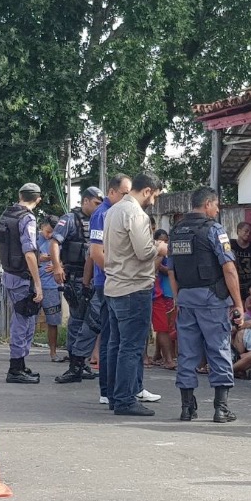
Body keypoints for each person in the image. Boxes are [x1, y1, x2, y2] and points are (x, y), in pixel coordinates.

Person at [169, 186, 243, 422]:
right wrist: (238, 304)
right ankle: (221, 408)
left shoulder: (176, 230)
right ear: (208, 204)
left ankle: (186, 408)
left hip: (186, 300)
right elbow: (229, 268)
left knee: (187, 353)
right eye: (217, 205)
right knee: (218, 350)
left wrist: (177, 298)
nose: (218, 209)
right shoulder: (214, 230)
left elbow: (171, 270)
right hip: (212, 301)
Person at [89, 174, 161, 407]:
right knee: (131, 347)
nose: (154, 202)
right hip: (133, 287)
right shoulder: (135, 214)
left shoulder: (111, 211)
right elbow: (143, 252)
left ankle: (114, 396)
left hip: (113, 285)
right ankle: (125, 399)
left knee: (116, 344)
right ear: (148, 191)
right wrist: (159, 247)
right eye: (155, 196)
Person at [51, 186, 104, 383]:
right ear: (85, 201)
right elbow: (55, 242)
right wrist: (57, 266)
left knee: (90, 322)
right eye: (96, 203)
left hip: (92, 277)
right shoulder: (70, 219)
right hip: (75, 277)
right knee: (77, 321)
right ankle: (75, 364)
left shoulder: (99, 219)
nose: (98, 207)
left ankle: (81, 364)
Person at [0, 183, 44, 383]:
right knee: (22, 322)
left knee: (24, 319)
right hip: (24, 277)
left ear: (19, 195)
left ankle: (21, 365)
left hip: (10, 274)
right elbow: (29, 252)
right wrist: (38, 283)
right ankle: (15, 369)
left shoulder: (7, 215)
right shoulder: (27, 218)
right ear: (38, 200)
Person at [37, 215, 62, 362]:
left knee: (53, 320)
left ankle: (53, 352)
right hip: (34, 285)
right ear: (41, 228)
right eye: (47, 231)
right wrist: (40, 258)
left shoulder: (59, 240)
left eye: (52, 232)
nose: (50, 235)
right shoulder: (33, 240)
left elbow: (65, 259)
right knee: (28, 320)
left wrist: (58, 265)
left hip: (52, 286)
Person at [152, 229, 176, 370]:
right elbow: (153, 269)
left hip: (159, 294)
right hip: (150, 292)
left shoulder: (168, 254)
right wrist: (160, 255)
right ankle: (148, 357)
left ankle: (167, 358)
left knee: (163, 328)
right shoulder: (151, 252)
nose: (164, 243)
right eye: (161, 241)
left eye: (166, 241)